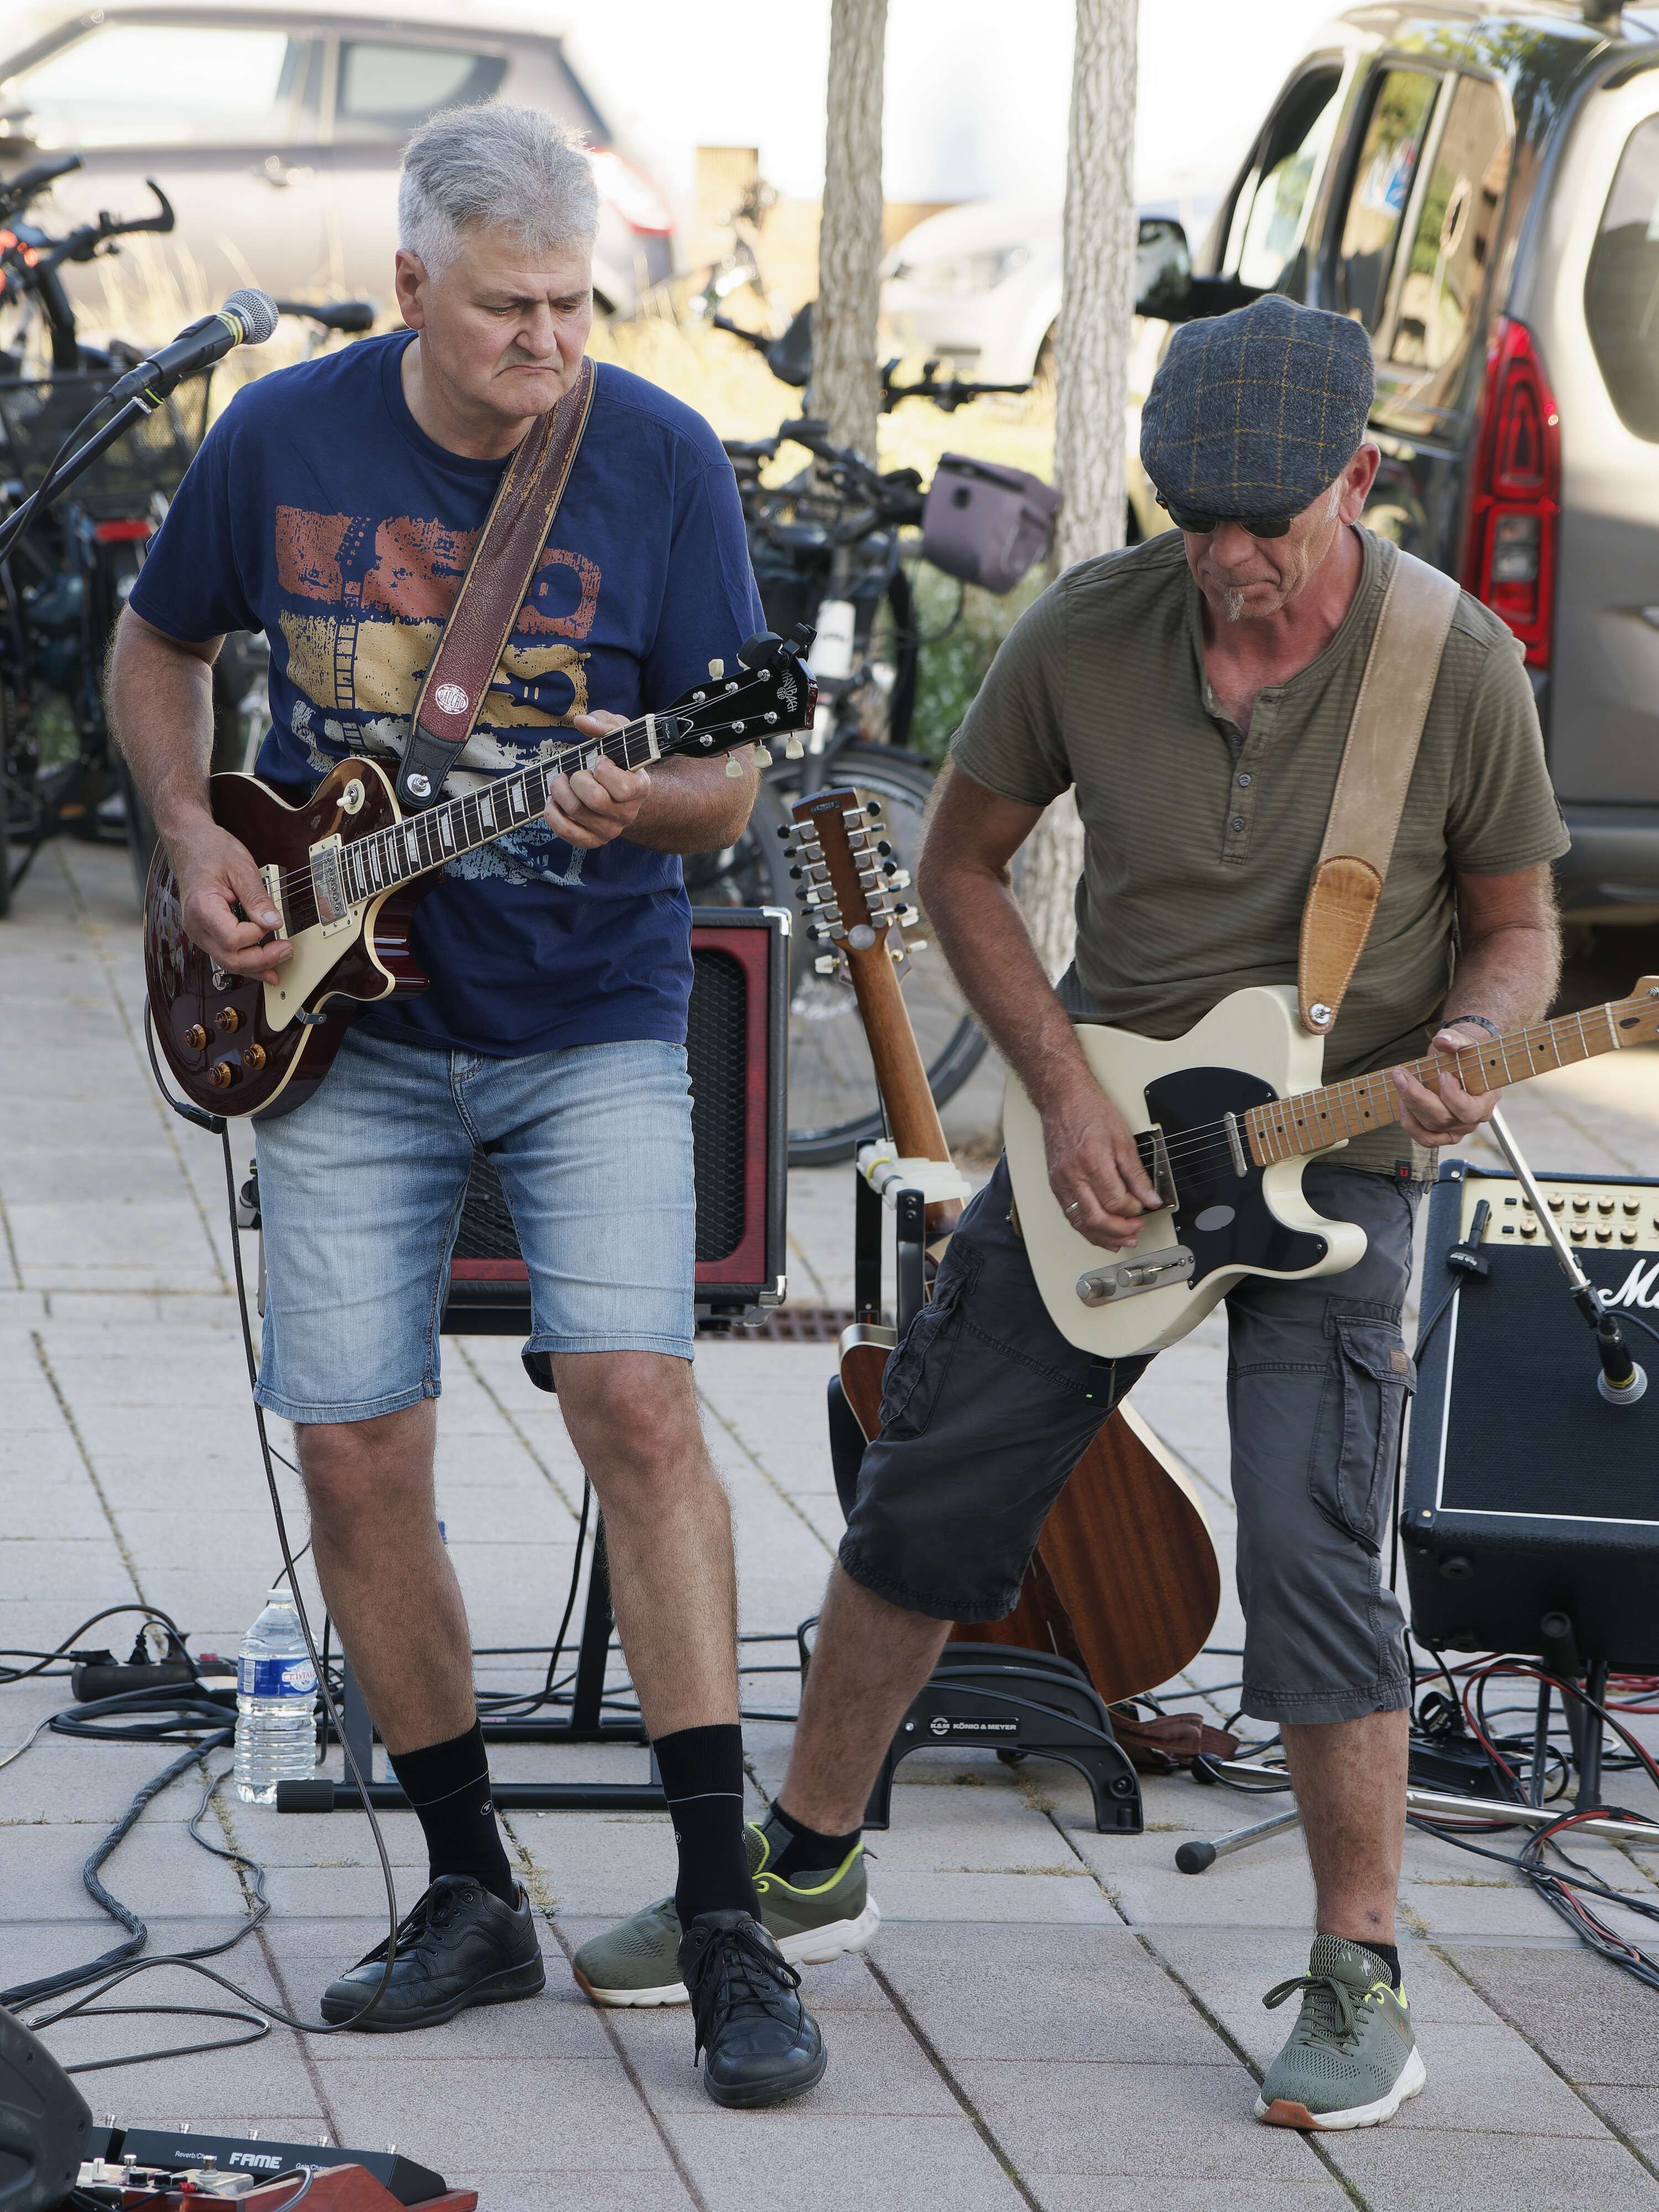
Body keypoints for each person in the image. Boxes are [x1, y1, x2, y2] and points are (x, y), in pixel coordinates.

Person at [577, 295, 1569, 2131]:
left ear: (1359, 479)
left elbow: (1517, 927)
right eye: (1194, 522)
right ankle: (805, 1868)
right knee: (929, 1483)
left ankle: (1359, 1968)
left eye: (1267, 526)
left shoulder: (1457, 665)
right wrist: (1055, 1088)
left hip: (1343, 1152)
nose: (1228, 562)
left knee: (1311, 1542)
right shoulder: (1091, 629)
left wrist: (1471, 1042)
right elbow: (957, 862)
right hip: (1102, 1135)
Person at [110, 102, 824, 2110]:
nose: (549, 342)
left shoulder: (656, 459)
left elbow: (733, 776)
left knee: (640, 1408)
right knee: (352, 1450)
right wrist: (191, 838)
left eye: (575, 304)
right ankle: (465, 1887)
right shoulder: (284, 436)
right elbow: (161, 646)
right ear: (410, 284)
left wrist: (645, 794)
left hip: (591, 1011)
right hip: (341, 1028)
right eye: (509, 307)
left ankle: (724, 1919)